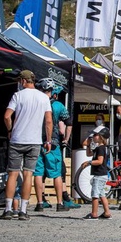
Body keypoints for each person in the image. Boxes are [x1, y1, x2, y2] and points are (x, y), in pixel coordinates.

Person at [0, 70, 53, 220]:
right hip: (34, 140)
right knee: (29, 173)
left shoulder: (18, 95)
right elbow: (48, 121)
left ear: (23, 81)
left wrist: (10, 129)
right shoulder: (43, 97)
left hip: (17, 139)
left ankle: (8, 209)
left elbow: (6, 116)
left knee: (13, 173)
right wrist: (48, 140)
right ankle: (23, 210)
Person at [32, 79, 71, 212]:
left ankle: (39, 203)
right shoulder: (58, 105)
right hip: (53, 142)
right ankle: (60, 203)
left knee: (38, 173)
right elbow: (69, 122)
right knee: (57, 174)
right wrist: (66, 138)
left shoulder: (35, 103)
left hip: (36, 140)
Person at [81, 125, 112, 219]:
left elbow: (100, 161)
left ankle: (94, 214)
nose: (93, 137)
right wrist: (88, 146)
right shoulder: (98, 148)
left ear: (101, 136)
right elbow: (89, 154)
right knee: (101, 194)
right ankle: (107, 213)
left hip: (99, 175)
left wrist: (89, 162)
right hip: (101, 175)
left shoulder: (101, 148)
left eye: (95, 135)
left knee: (95, 194)